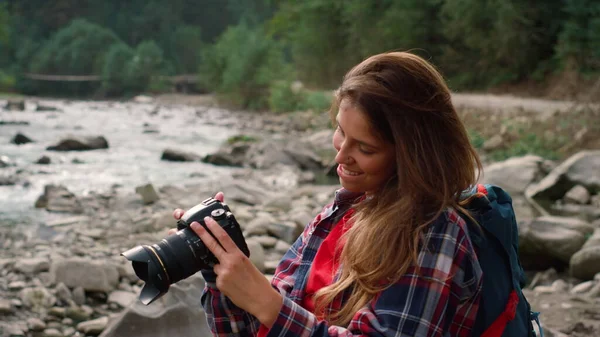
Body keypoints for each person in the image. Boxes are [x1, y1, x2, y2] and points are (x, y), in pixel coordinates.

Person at [173, 51, 492, 336]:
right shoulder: (338, 214)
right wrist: (222, 272)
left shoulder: (435, 234)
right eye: (340, 131)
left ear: (412, 155)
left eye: (365, 148)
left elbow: (279, 317)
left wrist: (269, 304)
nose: (340, 156)